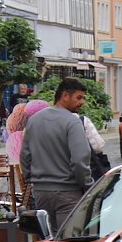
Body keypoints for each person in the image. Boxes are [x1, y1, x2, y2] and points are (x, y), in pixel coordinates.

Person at [19, 77, 92, 232]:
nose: (82, 102)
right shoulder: (72, 122)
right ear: (65, 95)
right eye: (79, 97)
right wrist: (87, 185)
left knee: (47, 240)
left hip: (41, 192)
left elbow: (25, 155)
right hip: (68, 192)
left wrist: (32, 180)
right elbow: (80, 160)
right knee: (68, 240)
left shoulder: (34, 120)